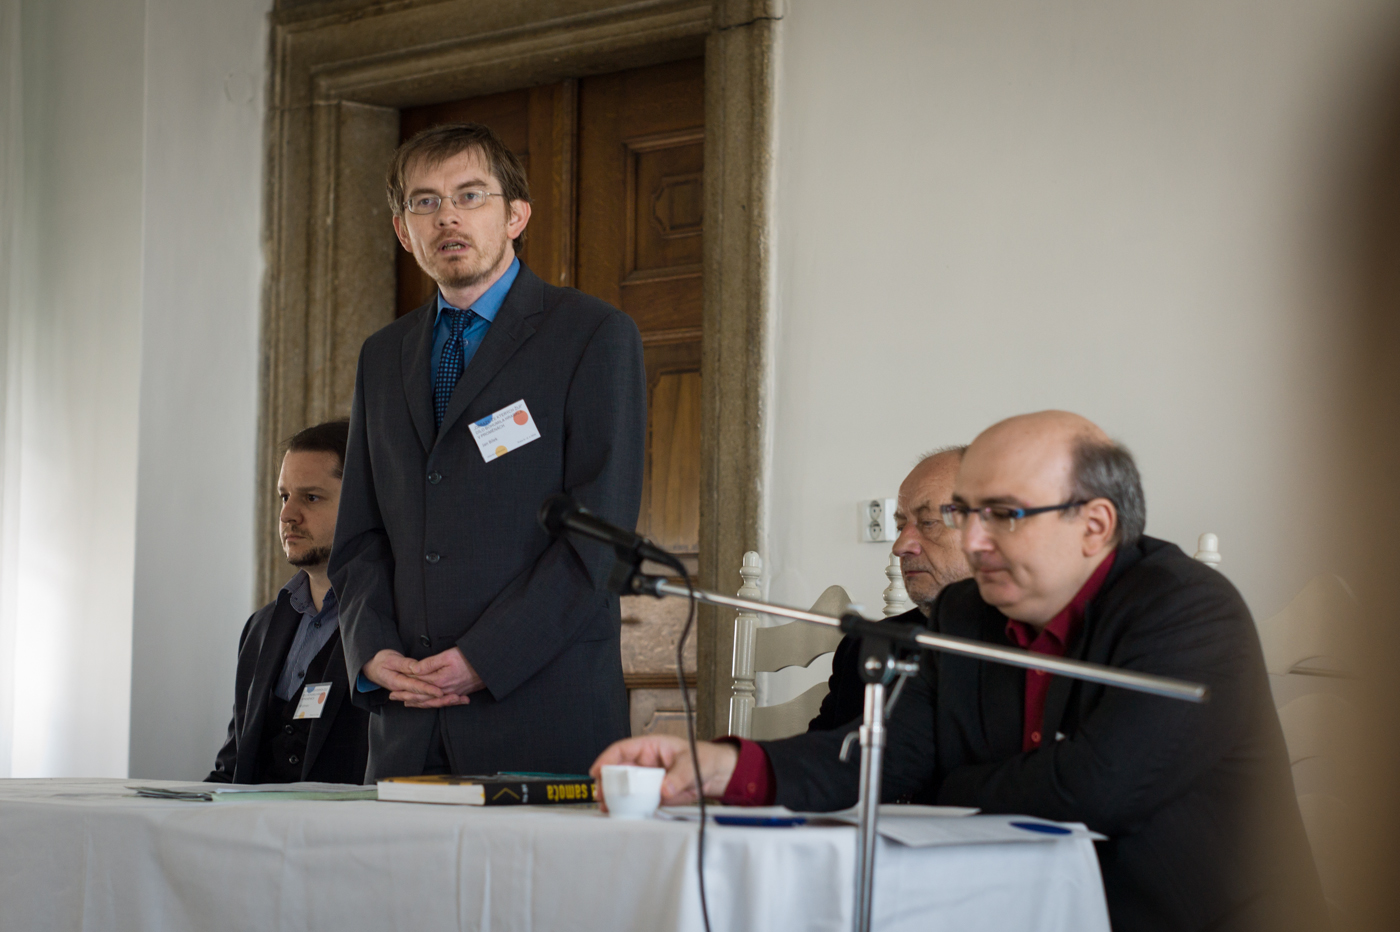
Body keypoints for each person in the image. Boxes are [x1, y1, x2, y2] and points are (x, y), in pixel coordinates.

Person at [592, 411, 1326, 932]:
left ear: (1095, 526)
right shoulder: (966, 614)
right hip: (1013, 910)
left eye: (1003, 515)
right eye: (967, 514)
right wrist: (721, 765)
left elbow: (1096, 792)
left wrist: (953, 785)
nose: (974, 543)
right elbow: (881, 752)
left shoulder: (1188, 609)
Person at [331, 122, 646, 780]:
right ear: (402, 229)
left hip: (541, 714)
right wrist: (370, 649)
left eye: (470, 195)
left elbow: (601, 536)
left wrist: (485, 657)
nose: (447, 216)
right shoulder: (381, 356)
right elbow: (359, 536)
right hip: (408, 721)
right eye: (424, 202)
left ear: (515, 216)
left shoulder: (593, 335)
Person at [207, 420, 369, 784]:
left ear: (364, 504)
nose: (286, 515)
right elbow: (233, 767)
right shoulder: (260, 628)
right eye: (284, 496)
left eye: (311, 497)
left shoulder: (398, 621)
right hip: (256, 834)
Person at [808, 446, 971, 731]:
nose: (899, 547)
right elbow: (826, 754)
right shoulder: (867, 646)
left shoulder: (1031, 651)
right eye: (900, 527)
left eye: (928, 523)